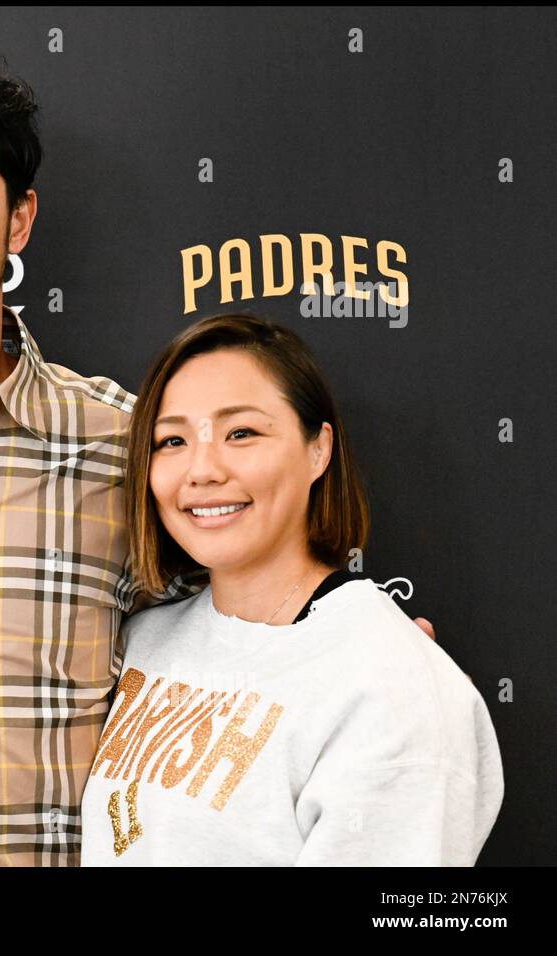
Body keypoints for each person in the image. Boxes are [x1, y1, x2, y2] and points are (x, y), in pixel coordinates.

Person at [80, 314, 502, 865]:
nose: (202, 469)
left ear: (317, 450)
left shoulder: (393, 683)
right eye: (172, 440)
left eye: (241, 433)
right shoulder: (143, 640)